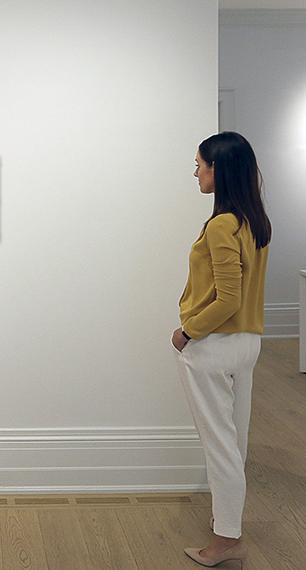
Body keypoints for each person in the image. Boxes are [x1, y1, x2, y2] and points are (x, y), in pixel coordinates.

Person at [172, 131, 271, 569]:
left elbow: (227, 298)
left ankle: (226, 540)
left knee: (220, 447)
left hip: (214, 346)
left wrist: (188, 332)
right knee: (236, 442)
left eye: (199, 164)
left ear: (219, 169)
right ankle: (228, 528)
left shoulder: (221, 224)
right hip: (247, 344)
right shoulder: (254, 221)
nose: (195, 171)